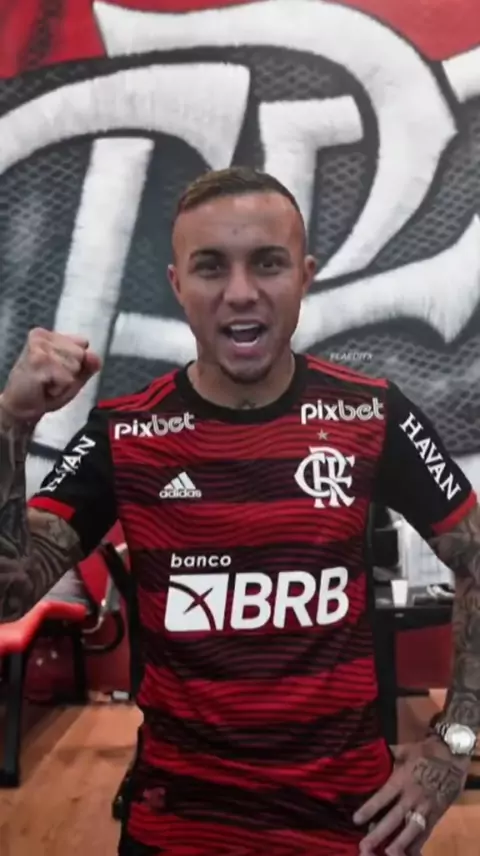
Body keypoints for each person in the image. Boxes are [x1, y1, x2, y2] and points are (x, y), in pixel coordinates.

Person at [0, 166, 479, 856]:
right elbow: (9, 595)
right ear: (178, 286)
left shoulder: (372, 414)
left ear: (305, 277)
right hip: (177, 828)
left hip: (351, 827)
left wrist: (453, 746)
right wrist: (11, 421)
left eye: (268, 263)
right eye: (211, 267)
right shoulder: (124, 432)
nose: (241, 292)